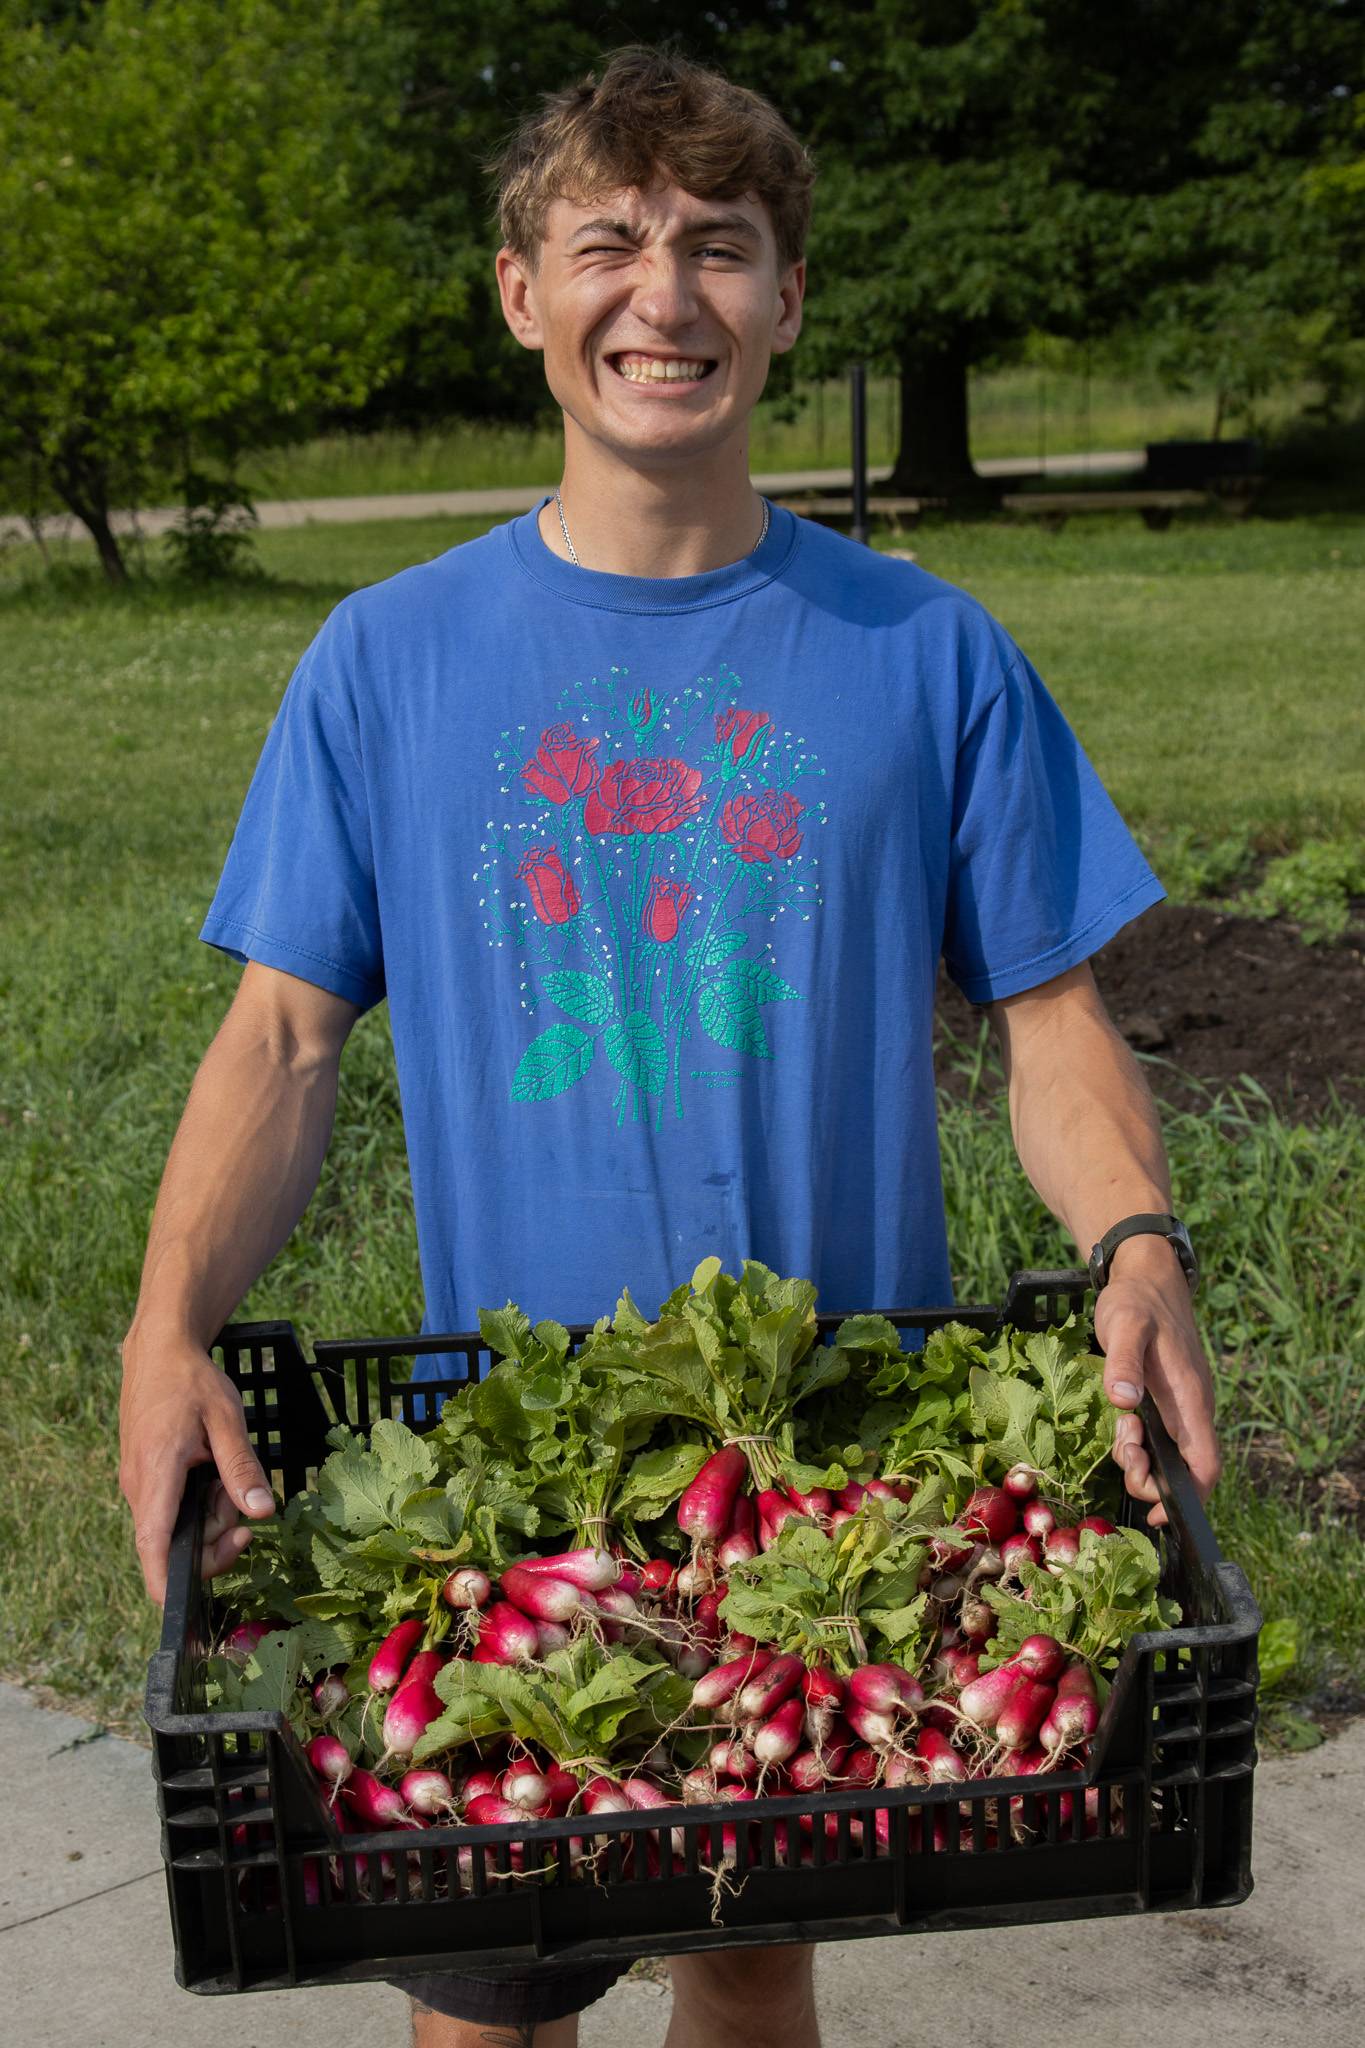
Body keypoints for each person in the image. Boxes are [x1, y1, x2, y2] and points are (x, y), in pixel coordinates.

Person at [118, 43, 1219, 2048]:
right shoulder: (385, 660)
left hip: (823, 1472)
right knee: (487, 1993)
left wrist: (1134, 1235)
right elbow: (279, 1031)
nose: (665, 293)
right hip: (510, 1474)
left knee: (748, 1952)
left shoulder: (922, 650)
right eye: (605, 242)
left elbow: (1049, 1017)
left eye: (719, 247)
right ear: (521, 292)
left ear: (786, 303)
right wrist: (166, 1316)